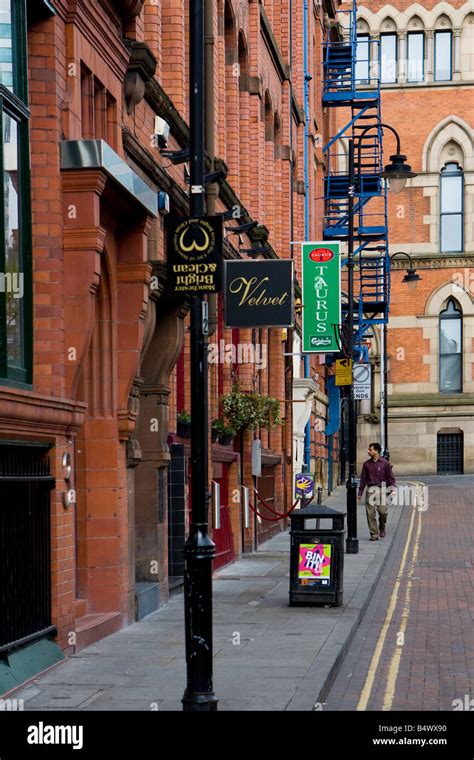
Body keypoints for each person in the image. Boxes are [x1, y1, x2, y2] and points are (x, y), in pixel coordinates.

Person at [358, 442, 396, 541]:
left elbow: (391, 478)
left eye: (370, 450)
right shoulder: (366, 464)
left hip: (382, 489)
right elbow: (363, 479)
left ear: (376, 451)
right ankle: (374, 534)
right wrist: (360, 493)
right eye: (368, 449)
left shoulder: (385, 463)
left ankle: (382, 526)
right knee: (370, 513)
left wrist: (392, 488)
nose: (368, 451)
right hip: (370, 489)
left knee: (383, 512)